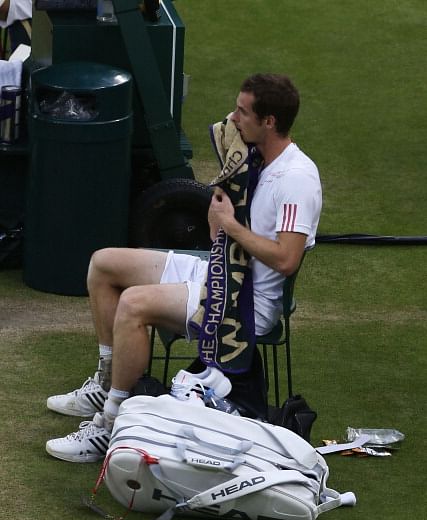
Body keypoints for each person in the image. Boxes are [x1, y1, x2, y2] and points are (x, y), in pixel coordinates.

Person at [45, 73, 323, 463]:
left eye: (243, 112)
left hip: (244, 302)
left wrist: (230, 226)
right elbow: (219, 231)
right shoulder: (254, 159)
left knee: (134, 304)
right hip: (218, 270)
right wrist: (220, 209)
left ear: (270, 121)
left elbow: (286, 258)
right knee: (104, 264)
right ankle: (107, 381)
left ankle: (109, 425)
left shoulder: (297, 179)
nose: (233, 117)